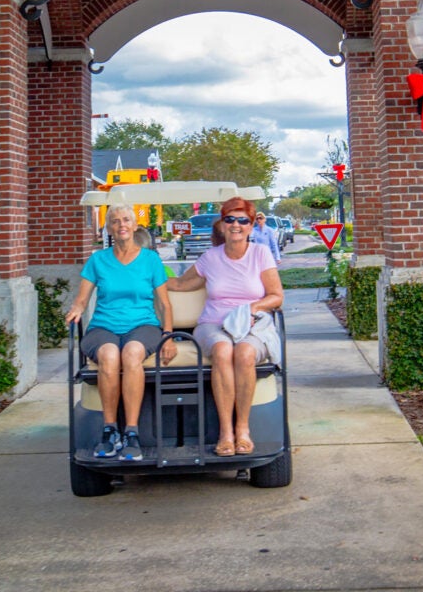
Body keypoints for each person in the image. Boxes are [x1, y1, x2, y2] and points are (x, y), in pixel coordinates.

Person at [166, 197, 284, 457]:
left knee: (243, 353)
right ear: (221, 225)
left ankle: (242, 429)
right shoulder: (210, 258)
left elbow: (276, 296)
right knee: (222, 350)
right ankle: (225, 432)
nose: (236, 225)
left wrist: (251, 309)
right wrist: (147, 276)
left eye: (243, 220)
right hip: (213, 325)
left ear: (252, 226)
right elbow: (182, 284)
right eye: (230, 219)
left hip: (251, 325)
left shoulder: (260, 254)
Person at [65, 204, 176, 461]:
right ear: (109, 228)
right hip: (104, 326)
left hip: (143, 325)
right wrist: (75, 310)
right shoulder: (98, 260)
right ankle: (109, 430)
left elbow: (164, 304)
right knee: (109, 355)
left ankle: (132, 433)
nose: (121, 225)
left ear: (135, 225)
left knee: (132, 352)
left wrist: (168, 334)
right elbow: (82, 299)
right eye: (115, 221)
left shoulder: (150, 260)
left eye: (126, 220)